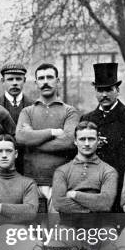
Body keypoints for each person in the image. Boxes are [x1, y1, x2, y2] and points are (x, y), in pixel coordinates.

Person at [52, 121, 118, 250]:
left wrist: (76, 194)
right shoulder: (62, 171)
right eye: (83, 139)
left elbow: (106, 202)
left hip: (98, 226)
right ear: (75, 141)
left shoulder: (108, 171)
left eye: (91, 139)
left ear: (98, 142)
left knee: (110, 247)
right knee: (54, 246)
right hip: (69, 226)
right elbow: (60, 203)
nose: (87, 143)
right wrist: (91, 203)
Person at [80, 62, 125, 212]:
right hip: (94, 190)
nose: (104, 95)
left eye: (109, 90)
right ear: (95, 91)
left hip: (122, 190)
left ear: (117, 90)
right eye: (100, 90)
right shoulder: (86, 119)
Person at [16, 63, 80, 212]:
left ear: (57, 81)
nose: (45, 81)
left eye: (50, 77)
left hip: (60, 183)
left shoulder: (70, 112)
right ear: (36, 83)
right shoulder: (27, 112)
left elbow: (69, 141)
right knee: (33, 233)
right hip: (31, 182)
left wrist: (33, 141)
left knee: (58, 232)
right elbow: (21, 137)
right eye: (41, 78)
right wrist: (52, 132)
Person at [0, 62, 34, 173]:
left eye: (18, 79)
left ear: (24, 80)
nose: (15, 83)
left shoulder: (34, 106)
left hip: (28, 165)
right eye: (10, 79)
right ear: (3, 81)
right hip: (1, 165)